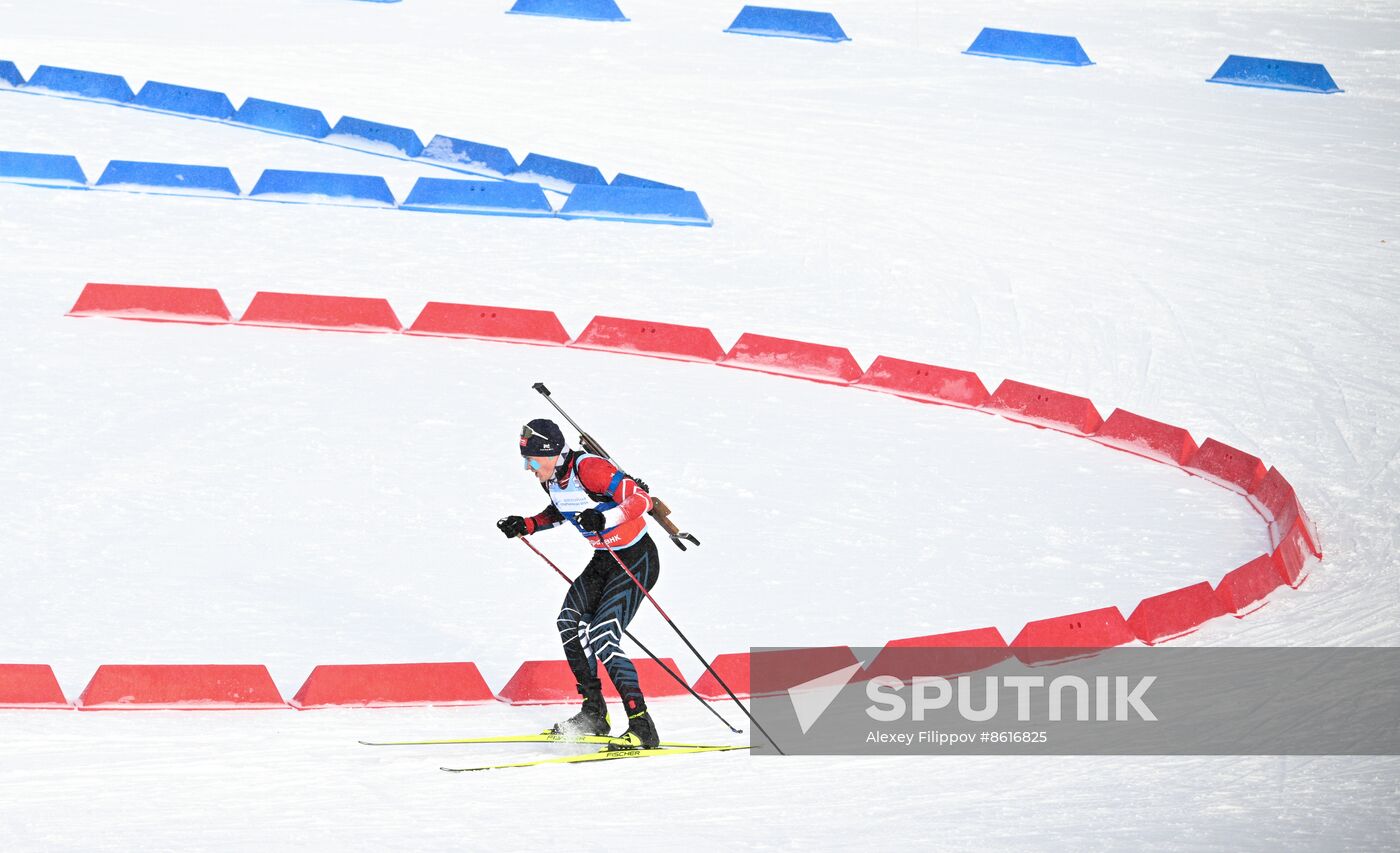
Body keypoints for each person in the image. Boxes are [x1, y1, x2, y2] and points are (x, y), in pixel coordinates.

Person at [496, 418, 662, 749]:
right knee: (568, 622)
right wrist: (528, 524)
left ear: (550, 452)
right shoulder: (551, 479)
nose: (528, 468)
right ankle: (594, 715)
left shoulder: (590, 469)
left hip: (635, 558)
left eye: (531, 461)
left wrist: (606, 517)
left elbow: (642, 499)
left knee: (602, 634)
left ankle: (642, 726)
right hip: (604, 558)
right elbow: (563, 510)